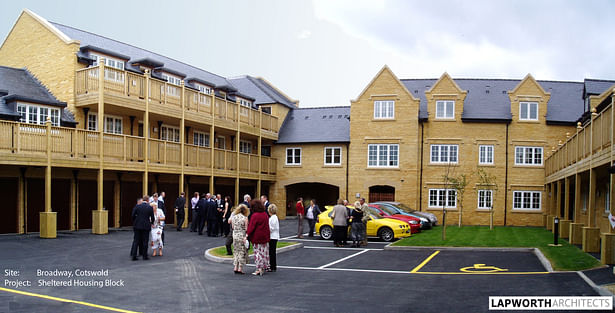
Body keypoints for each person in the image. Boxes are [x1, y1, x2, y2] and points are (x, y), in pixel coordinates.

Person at [247, 199, 270, 276]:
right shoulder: (265, 214)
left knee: (257, 253)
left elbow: (251, 227)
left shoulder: (255, 215)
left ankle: (259, 269)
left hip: (257, 237)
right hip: (265, 236)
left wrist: (247, 235)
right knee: (264, 252)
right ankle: (264, 267)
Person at [131, 195, 154, 261]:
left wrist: (135, 221)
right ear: (148, 200)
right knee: (145, 241)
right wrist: (151, 223)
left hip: (137, 225)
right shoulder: (149, 207)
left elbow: (132, 215)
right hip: (146, 226)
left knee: (136, 241)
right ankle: (144, 256)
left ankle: (134, 256)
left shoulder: (137, 206)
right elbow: (152, 217)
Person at [231, 204, 250, 274]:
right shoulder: (245, 218)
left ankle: (235, 266)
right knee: (242, 251)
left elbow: (233, 227)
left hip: (235, 235)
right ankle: (240, 268)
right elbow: (246, 228)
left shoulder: (234, 217)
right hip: (242, 235)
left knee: (236, 251)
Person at [267, 204, 279, 272]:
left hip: (272, 237)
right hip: (273, 236)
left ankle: (272, 266)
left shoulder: (273, 218)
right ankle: (273, 265)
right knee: (272, 252)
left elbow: (271, 228)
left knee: (272, 252)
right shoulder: (273, 217)